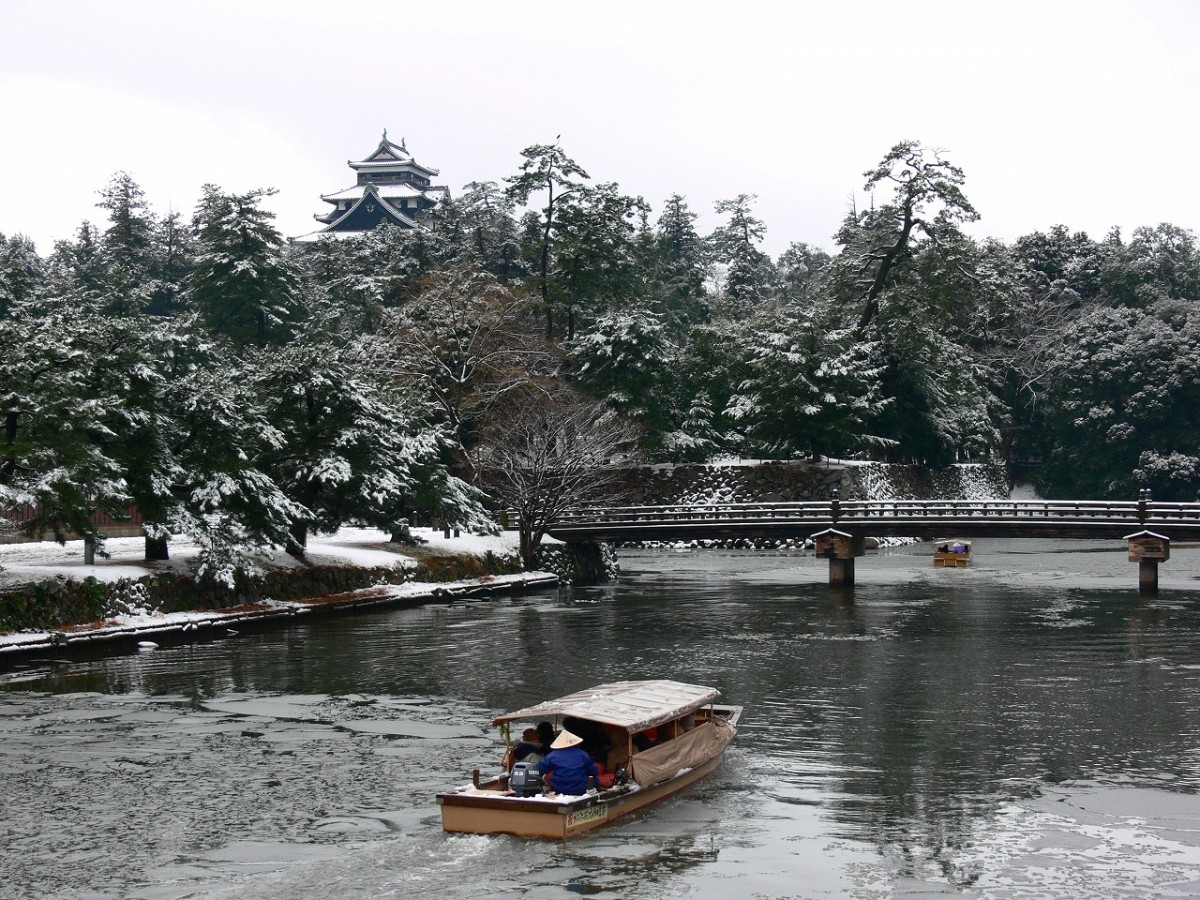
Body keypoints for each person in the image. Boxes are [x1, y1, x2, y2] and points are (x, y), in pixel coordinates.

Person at [537, 729, 601, 796]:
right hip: (581, 789)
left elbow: (541, 769)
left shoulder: (552, 755)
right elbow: (593, 772)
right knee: (595, 780)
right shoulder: (583, 754)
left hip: (558, 789)